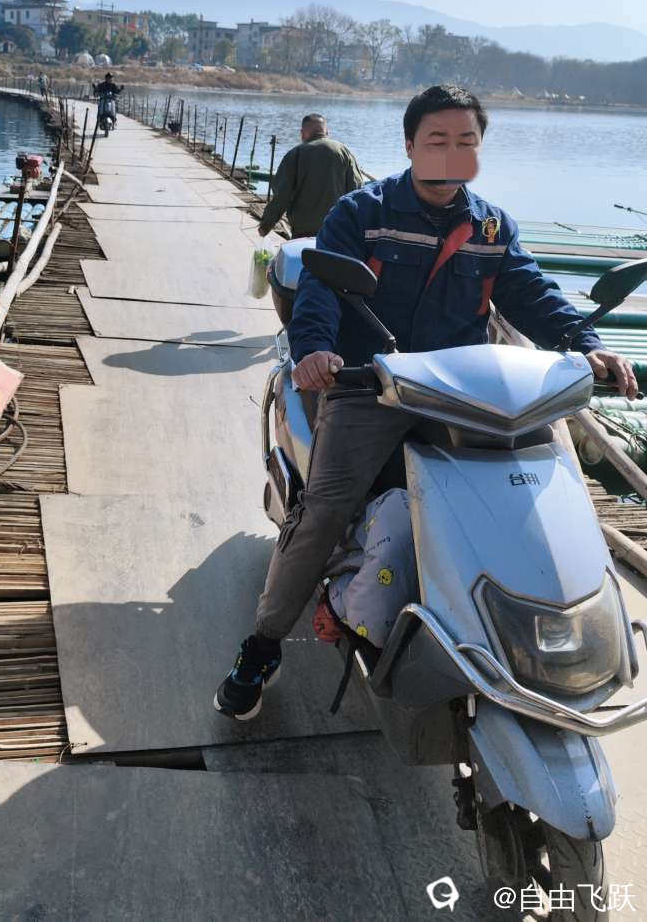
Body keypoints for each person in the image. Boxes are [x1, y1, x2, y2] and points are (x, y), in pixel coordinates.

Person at [215, 84, 637, 720]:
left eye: (466, 141)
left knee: (530, 492)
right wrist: (315, 349)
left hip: (462, 396)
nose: (451, 152)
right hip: (368, 387)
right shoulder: (362, 213)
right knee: (325, 508)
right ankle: (264, 643)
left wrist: (588, 343)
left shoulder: (492, 227)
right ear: (410, 144)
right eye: (437, 139)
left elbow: (532, 294)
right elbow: (323, 287)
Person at [258, 114, 364, 323]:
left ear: (303, 133)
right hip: (338, 234)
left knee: (303, 282)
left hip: (303, 235)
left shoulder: (295, 155)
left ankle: (302, 323)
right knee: (334, 283)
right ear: (327, 131)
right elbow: (357, 192)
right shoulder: (343, 151)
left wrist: (266, 225)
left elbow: (281, 197)